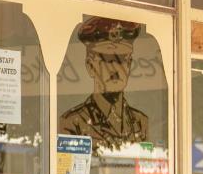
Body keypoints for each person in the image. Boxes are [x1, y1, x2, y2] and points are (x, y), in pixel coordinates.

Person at [59, 18, 149, 149]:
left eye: (121, 60)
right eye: (107, 60)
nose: (115, 70)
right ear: (90, 66)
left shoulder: (141, 122)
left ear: (129, 65)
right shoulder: (73, 122)